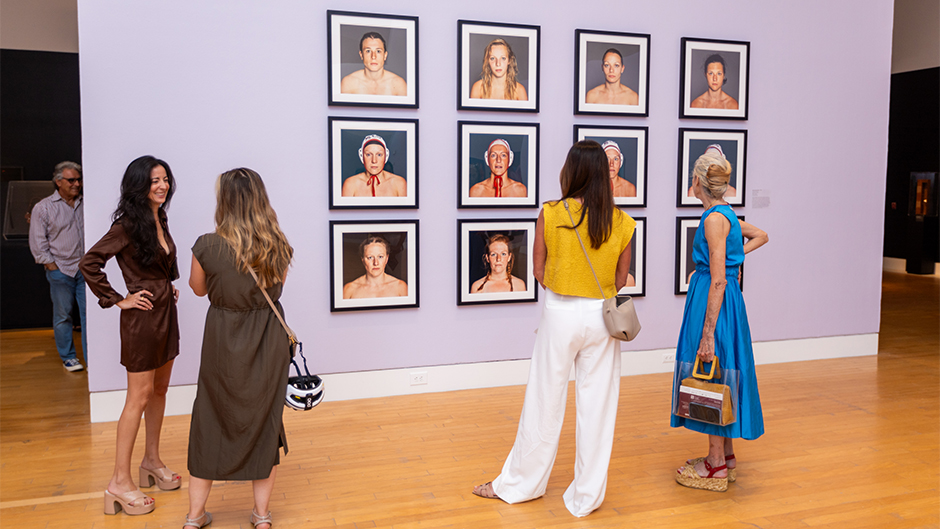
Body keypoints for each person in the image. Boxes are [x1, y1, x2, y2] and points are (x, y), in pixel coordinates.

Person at [472, 140, 636, 517]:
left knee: (544, 401)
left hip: (560, 312)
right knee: (598, 408)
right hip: (603, 318)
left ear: (571, 171)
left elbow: (538, 270)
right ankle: (586, 498)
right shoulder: (623, 221)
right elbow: (621, 278)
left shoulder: (550, 212)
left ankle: (520, 485)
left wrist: (566, 289)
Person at [184, 167, 294, 529]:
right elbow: (275, 289)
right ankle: (261, 517)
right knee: (264, 423)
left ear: (224, 201)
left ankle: (195, 516)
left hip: (223, 340)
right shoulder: (278, 243)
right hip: (267, 341)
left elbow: (198, 289)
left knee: (210, 419)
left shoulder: (207, 245)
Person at [80, 155, 181, 516]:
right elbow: (89, 263)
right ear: (138, 184)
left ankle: (151, 461)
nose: (162, 185)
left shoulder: (160, 217)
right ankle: (118, 482)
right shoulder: (125, 225)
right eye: (155, 180)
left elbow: (161, 267)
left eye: (166, 179)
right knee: (137, 398)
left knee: (159, 391)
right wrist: (118, 299)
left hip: (166, 313)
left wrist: (167, 287)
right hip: (142, 321)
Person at [671, 145, 768, 492]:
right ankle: (726, 457)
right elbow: (761, 236)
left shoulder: (713, 220)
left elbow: (717, 279)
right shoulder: (728, 214)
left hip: (714, 300)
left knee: (712, 369)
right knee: (726, 369)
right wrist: (735, 258)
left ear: (697, 181)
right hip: (728, 301)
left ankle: (714, 466)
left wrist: (707, 333)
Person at [28, 161, 87, 372]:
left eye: (78, 180)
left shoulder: (87, 203)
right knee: (63, 316)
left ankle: (91, 358)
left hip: (85, 270)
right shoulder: (43, 207)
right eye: (71, 180)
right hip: (61, 270)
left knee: (89, 314)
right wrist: (53, 267)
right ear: (58, 182)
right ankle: (69, 357)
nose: (77, 184)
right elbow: (37, 243)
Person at [340, 31, 407, 96]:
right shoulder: (348, 83)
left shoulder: (399, 84)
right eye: (368, 51)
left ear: (385, 55)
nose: (373, 56)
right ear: (361, 55)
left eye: (378, 51)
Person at [342, 235, 408, 299]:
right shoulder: (349, 290)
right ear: (363, 260)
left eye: (380, 257)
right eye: (370, 257)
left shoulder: (400, 287)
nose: (376, 263)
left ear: (386, 259)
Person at [341, 134, 407, 197]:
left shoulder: (399, 183)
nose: (374, 161)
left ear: (385, 156)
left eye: (379, 155)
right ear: (362, 156)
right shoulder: (350, 184)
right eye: (368, 155)